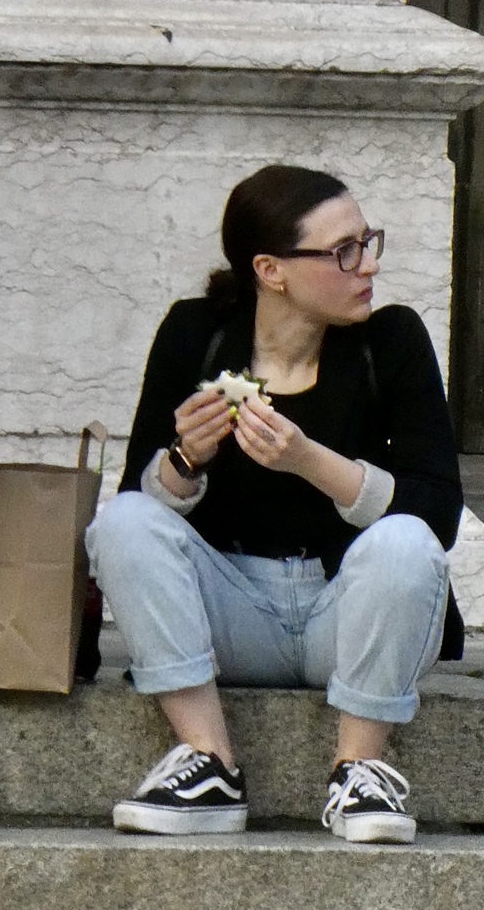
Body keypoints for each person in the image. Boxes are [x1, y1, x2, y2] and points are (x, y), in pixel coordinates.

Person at [86, 163, 464, 844]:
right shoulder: (197, 333)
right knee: (124, 523)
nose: (368, 265)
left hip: (347, 617)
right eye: (344, 251)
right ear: (271, 269)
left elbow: (436, 514)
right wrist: (186, 458)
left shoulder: (391, 340)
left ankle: (359, 768)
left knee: (405, 544)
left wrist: (308, 460)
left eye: (368, 241)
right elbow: (139, 507)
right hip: (231, 613)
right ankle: (208, 760)